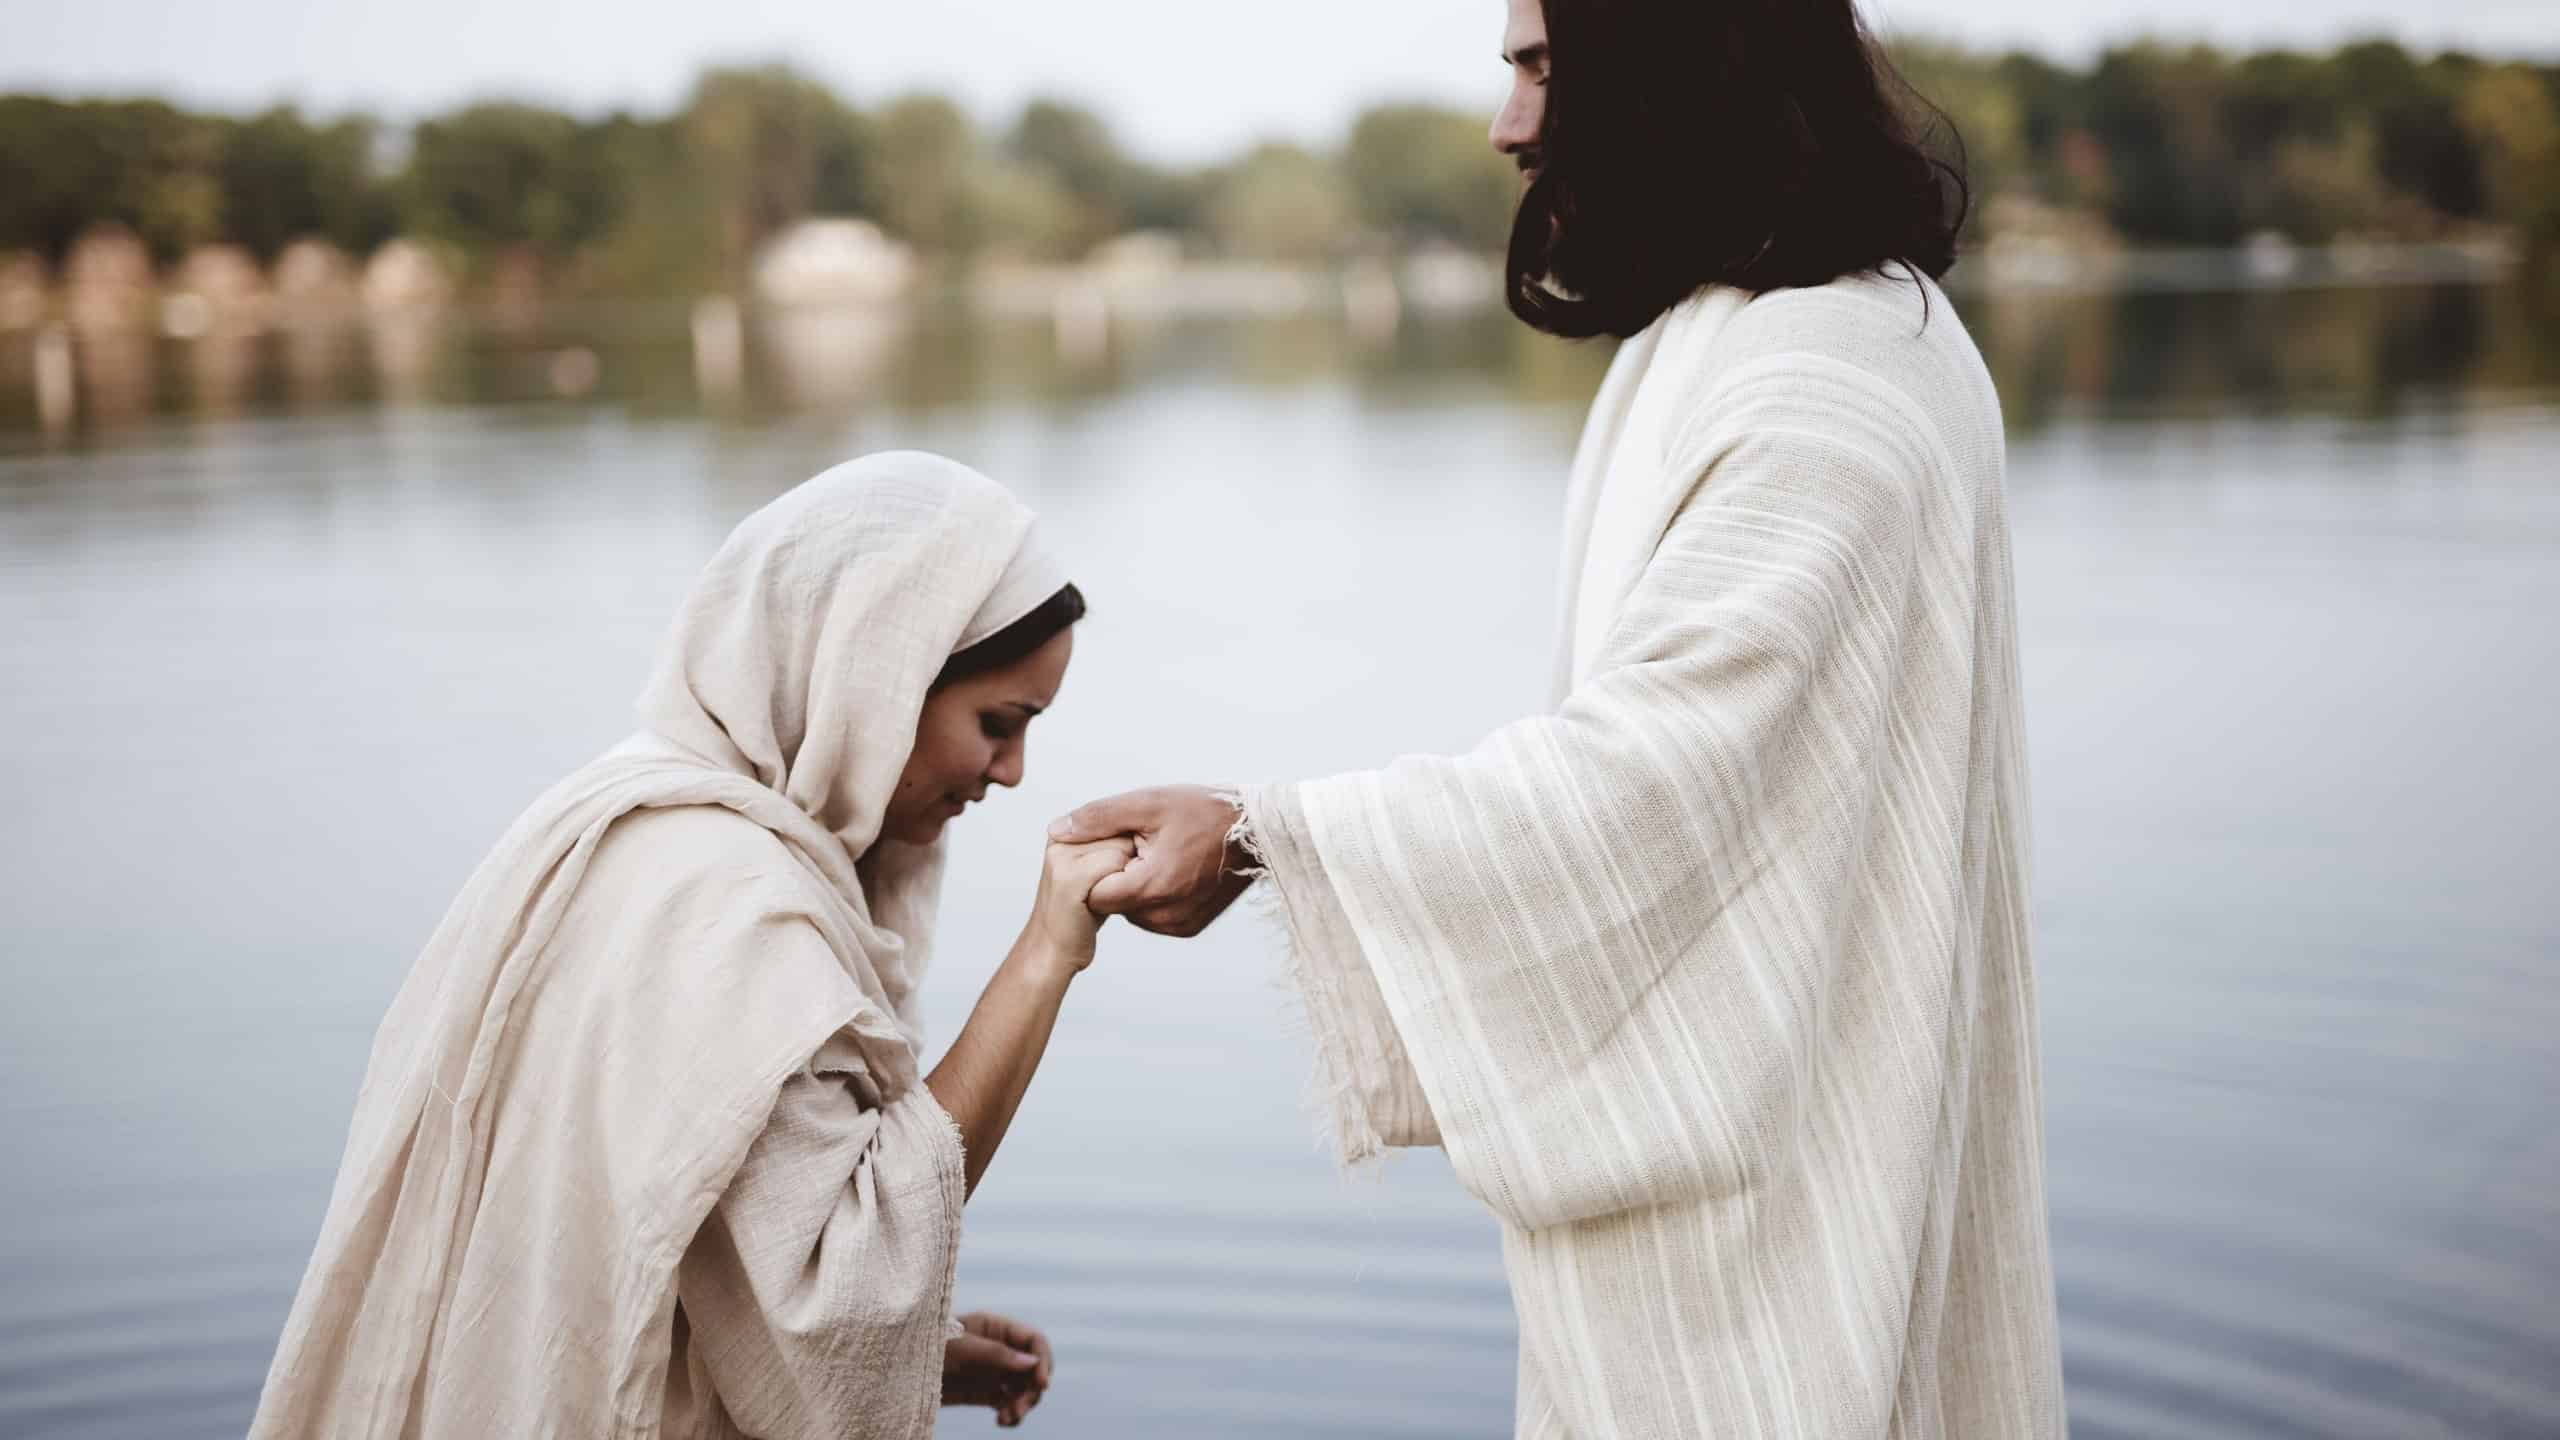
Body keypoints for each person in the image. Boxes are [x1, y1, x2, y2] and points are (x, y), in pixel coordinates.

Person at [1047, 1, 2067, 1435]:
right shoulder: (1736, 340)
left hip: (1800, 1237)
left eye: (1543, 69)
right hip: (1754, 1204)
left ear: (1679, 65)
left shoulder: (1830, 380)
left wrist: (1270, 834)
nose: (1507, 125)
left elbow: (1652, 781)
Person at [253, 452, 1126, 1438]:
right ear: (874, 676)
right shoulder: (737, 908)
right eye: (997, 723)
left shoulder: (630, 817)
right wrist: (1048, 952)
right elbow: (845, 1295)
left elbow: (663, 1247)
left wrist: (920, 1357)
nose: (1010, 771)